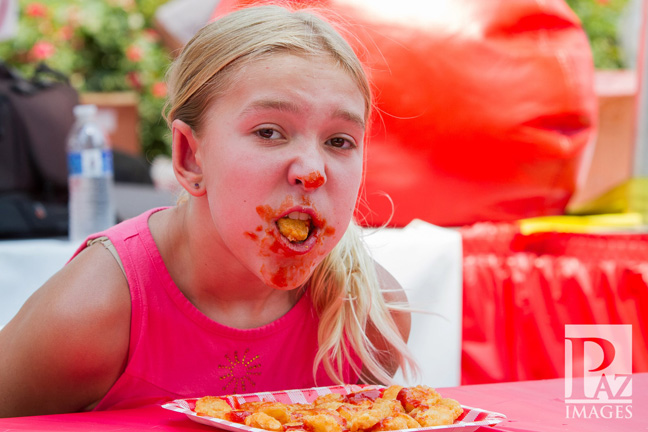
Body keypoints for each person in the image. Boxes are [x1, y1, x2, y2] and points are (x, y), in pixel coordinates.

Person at [0, 4, 418, 417]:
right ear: (190, 157)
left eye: (339, 141)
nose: (312, 172)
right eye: (269, 132)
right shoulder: (92, 312)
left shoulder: (369, 319)